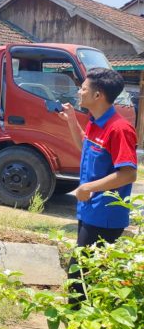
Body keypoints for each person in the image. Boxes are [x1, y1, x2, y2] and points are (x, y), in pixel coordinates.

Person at [58, 67, 137, 303]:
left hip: (106, 216)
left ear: (97, 95)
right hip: (91, 211)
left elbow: (128, 174)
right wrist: (72, 120)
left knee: (79, 279)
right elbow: (85, 146)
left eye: (83, 88)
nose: (79, 92)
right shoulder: (96, 121)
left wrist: (88, 188)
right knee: (85, 277)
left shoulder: (119, 129)